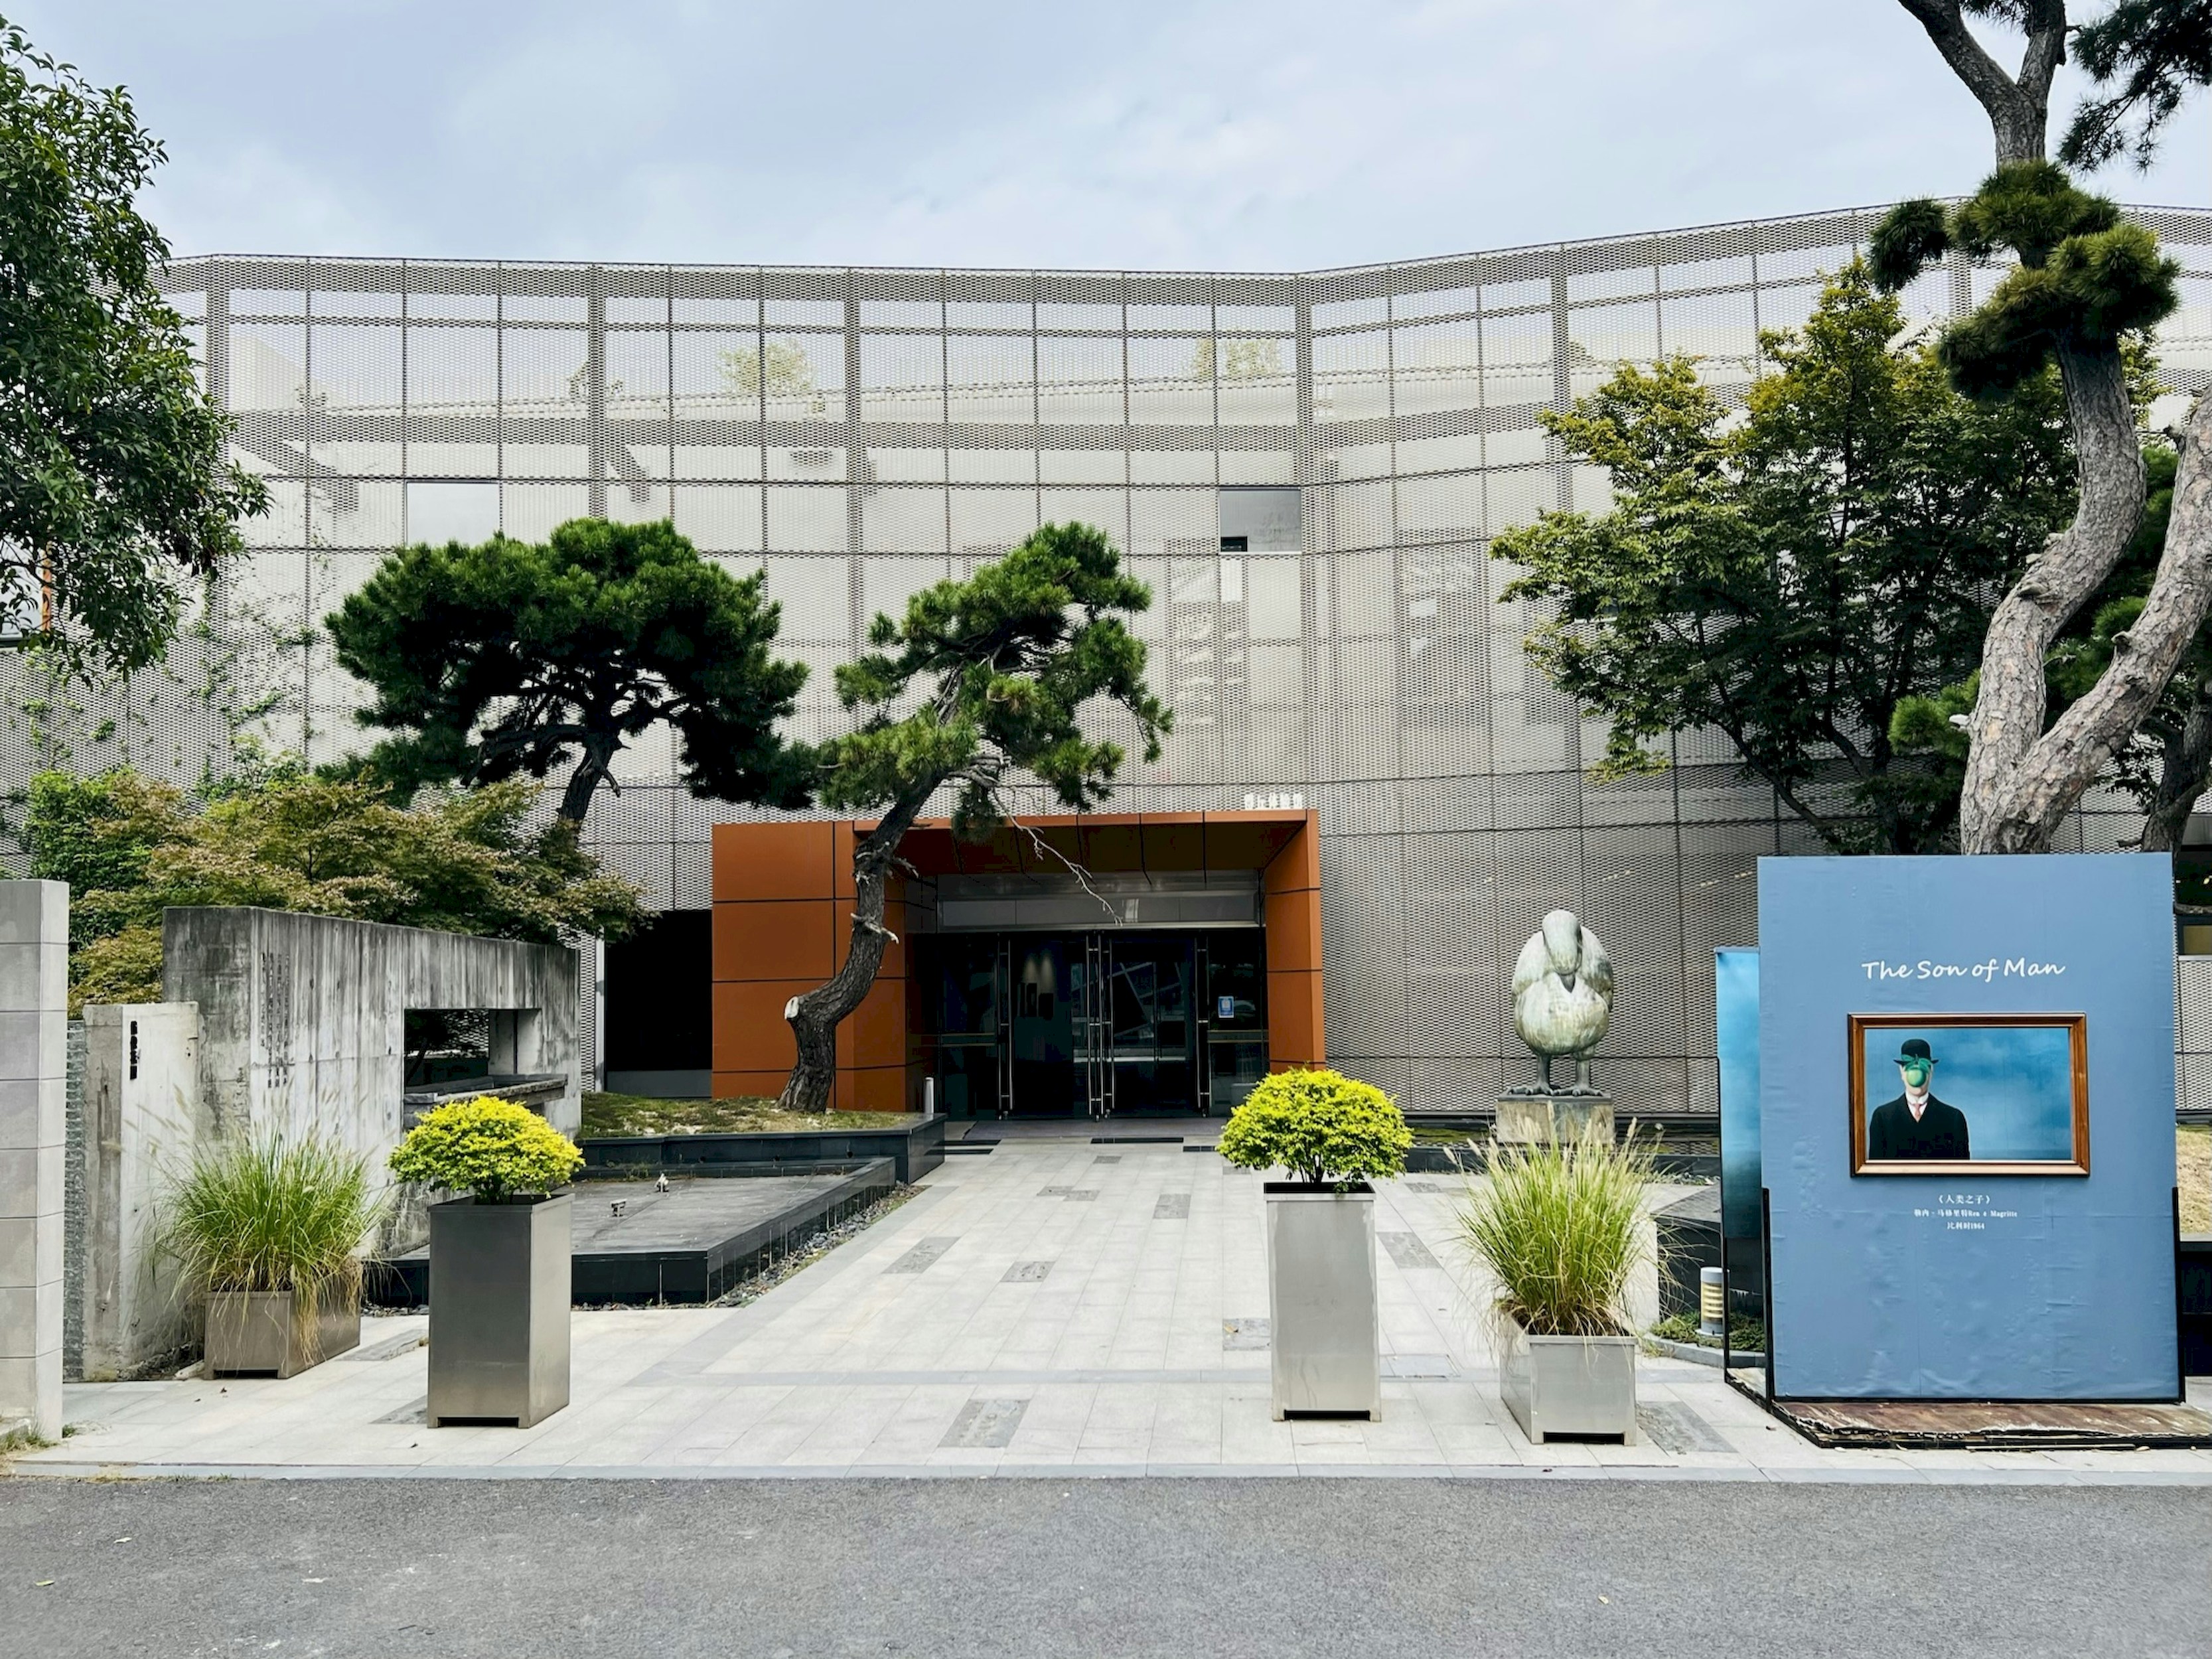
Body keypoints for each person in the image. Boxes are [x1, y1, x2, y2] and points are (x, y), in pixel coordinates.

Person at [1867, 1037, 1970, 1160]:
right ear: (1902, 1072)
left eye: (1923, 1068)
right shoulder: (1882, 1118)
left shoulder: (1954, 1118)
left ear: (1931, 1071)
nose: (1917, 1075)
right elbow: (1875, 1173)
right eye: (1910, 1069)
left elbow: (1963, 1174)